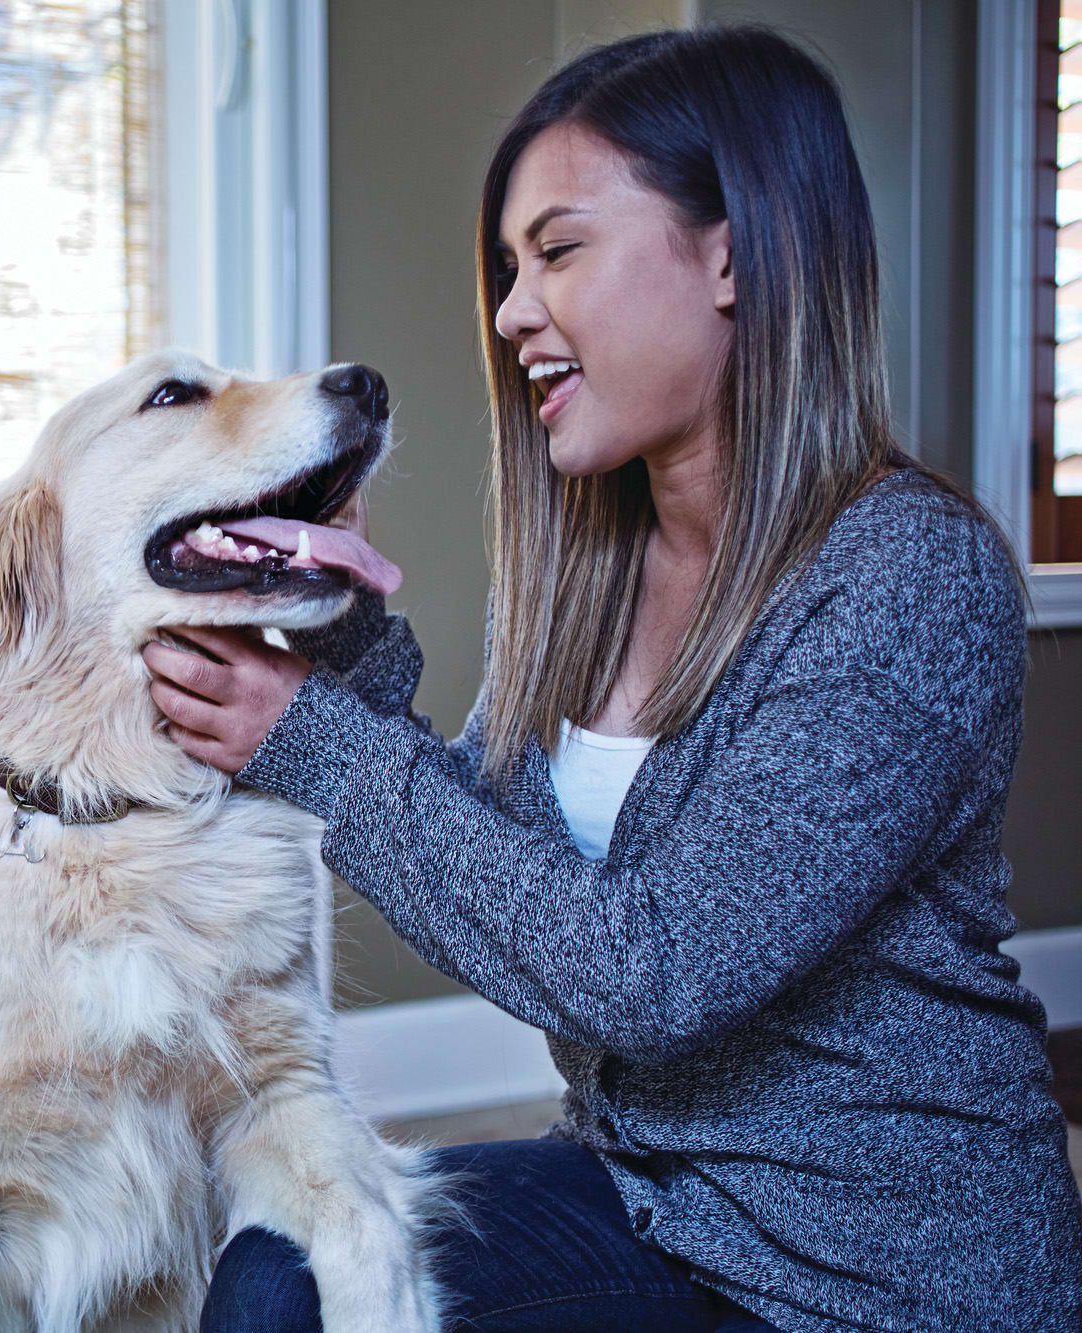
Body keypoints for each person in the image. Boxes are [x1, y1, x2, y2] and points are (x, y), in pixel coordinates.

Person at [140, 24, 1082, 1333]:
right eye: (508, 266)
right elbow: (518, 878)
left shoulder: (906, 577)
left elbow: (653, 970)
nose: (514, 309)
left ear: (734, 253)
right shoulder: (598, 564)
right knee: (284, 1269)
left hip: (877, 1285)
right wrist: (348, 648)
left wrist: (308, 742)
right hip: (650, 1201)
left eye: (560, 250)